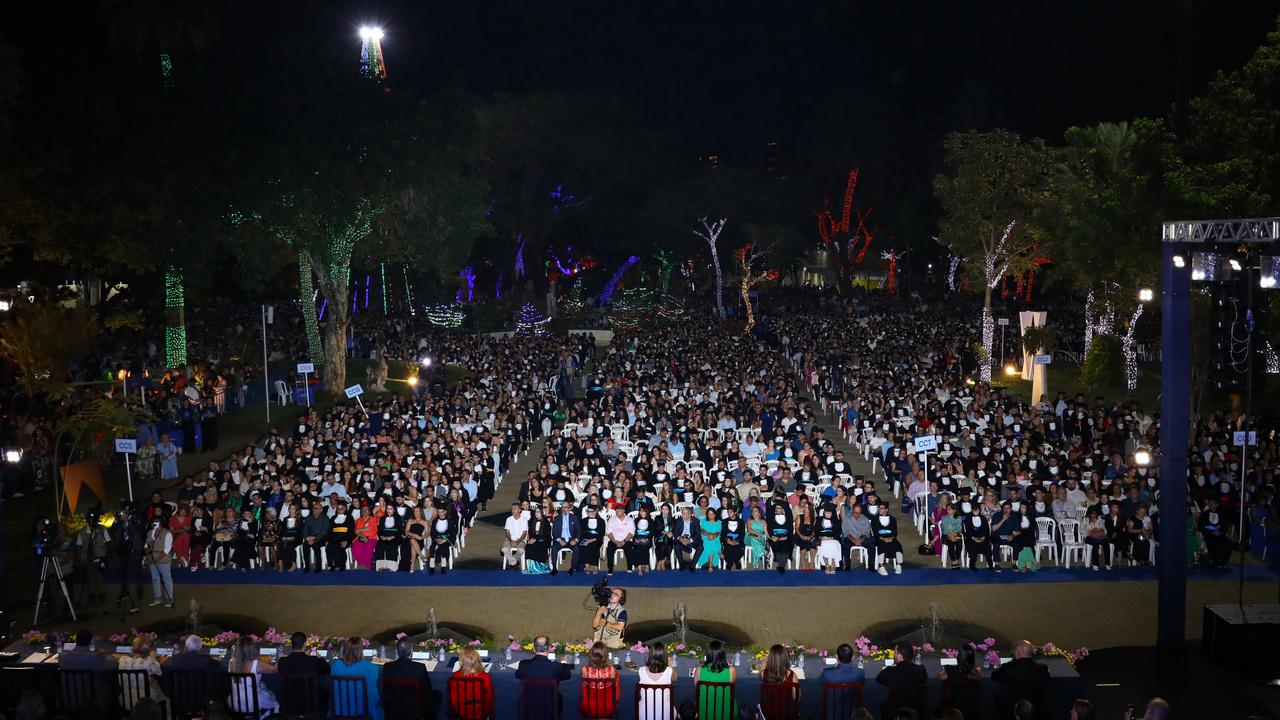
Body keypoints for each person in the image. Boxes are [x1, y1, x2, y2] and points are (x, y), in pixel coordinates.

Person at [381, 636, 440, 720]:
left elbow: (385, 692)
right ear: (411, 651)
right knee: (436, 696)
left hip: (394, 712)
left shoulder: (388, 667)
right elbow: (427, 693)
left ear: (397, 651)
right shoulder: (419, 668)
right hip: (415, 713)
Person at [515, 635, 572, 719]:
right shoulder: (557, 667)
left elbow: (517, 675)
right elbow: (568, 675)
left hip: (528, 706)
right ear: (549, 648)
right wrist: (566, 664)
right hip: (550, 708)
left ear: (534, 649)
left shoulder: (523, 664)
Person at [58, 630, 118, 710]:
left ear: (76, 640)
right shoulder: (93, 657)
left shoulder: (62, 657)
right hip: (88, 701)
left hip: (67, 699)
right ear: (90, 642)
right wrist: (105, 655)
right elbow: (113, 665)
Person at [992, 641, 1050, 720]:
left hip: (1011, 712)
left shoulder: (1008, 668)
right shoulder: (1042, 668)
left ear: (1017, 652)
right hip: (1037, 713)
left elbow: (994, 676)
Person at [331, 637, 382, 720]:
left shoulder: (335, 665)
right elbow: (375, 697)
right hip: (364, 714)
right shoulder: (371, 668)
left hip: (340, 712)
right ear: (361, 650)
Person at [874, 643, 929, 720]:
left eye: (895, 653)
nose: (894, 655)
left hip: (896, 713)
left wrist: (893, 665)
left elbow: (879, 679)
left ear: (900, 656)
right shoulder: (921, 670)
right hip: (916, 712)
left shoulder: (891, 671)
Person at [161, 634, 222, 702]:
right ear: (200, 647)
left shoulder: (176, 660)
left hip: (180, 700)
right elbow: (217, 667)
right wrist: (216, 661)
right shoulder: (207, 661)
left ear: (186, 647)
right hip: (202, 701)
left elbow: (164, 670)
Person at [227, 640, 279, 717]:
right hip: (252, 704)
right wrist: (280, 658)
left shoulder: (231, 662)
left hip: (234, 703)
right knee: (275, 701)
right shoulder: (256, 663)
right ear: (252, 649)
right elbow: (274, 669)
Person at [119, 637, 169, 711]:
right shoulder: (147, 663)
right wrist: (153, 659)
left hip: (125, 699)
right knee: (166, 696)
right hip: (145, 701)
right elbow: (156, 673)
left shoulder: (123, 660)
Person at [818, 643, 865, 718]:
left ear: (836, 657)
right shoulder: (860, 673)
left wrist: (833, 667)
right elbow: (862, 685)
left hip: (832, 715)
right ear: (852, 657)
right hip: (853, 716)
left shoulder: (827, 673)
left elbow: (820, 683)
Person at [448, 646, 494, 720]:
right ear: (477, 659)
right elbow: (489, 697)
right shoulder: (485, 677)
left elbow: (453, 700)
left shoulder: (456, 676)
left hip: (461, 712)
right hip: (480, 711)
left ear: (461, 660)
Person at [938, 645, 981, 720]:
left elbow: (940, 676)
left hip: (953, 707)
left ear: (959, 657)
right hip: (971, 708)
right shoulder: (977, 671)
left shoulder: (949, 669)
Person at [696, 640, 737, 720]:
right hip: (727, 714)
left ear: (708, 655)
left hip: (704, 714)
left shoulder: (699, 670)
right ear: (723, 655)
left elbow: (697, 688)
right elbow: (732, 685)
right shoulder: (731, 670)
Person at [579, 641, 621, 718]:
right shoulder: (611, 670)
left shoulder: (584, 670)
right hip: (608, 707)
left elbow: (583, 691)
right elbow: (617, 691)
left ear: (591, 654)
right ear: (605, 655)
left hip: (589, 706)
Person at [637, 642, 674, 720]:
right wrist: (670, 665)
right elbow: (675, 678)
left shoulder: (641, 671)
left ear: (650, 655)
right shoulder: (669, 671)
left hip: (645, 716)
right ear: (665, 657)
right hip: (666, 716)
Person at [146, 517, 175, 607]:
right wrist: (148, 555)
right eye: (154, 521)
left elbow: (167, 550)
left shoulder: (167, 534)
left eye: (157, 522)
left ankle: (169, 599)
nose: (154, 523)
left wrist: (156, 560)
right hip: (152, 559)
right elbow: (146, 545)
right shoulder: (150, 533)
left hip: (163, 560)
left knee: (167, 579)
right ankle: (157, 598)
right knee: (155, 578)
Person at [551, 501, 582, 576]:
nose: (564, 509)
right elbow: (554, 532)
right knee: (554, 548)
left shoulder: (574, 518)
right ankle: (554, 568)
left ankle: (572, 568)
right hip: (561, 540)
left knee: (576, 548)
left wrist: (576, 540)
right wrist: (559, 540)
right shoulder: (557, 518)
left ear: (569, 509)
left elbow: (579, 530)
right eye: (562, 507)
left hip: (571, 540)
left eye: (565, 507)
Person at [605, 506, 635, 574]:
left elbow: (631, 532)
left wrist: (624, 541)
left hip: (626, 540)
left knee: (629, 548)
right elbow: (609, 532)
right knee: (609, 549)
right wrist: (614, 541)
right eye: (616, 510)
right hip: (614, 540)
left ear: (623, 511)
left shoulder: (629, 520)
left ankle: (629, 568)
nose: (617, 512)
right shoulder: (611, 519)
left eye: (619, 510)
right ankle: (610, 568)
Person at [503, 503, 529, 569]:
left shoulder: (524, 520)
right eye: (512, 509)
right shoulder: (508, 519)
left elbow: (524, 534)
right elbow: (507, 532)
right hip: (509, 539)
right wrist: (511, 541)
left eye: (515, 508)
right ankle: (515, 562)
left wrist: (517, 542)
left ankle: (512, 562)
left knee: (521, 550)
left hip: (520, 540)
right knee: (504, 549)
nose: (513, 510)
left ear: (519, 510)